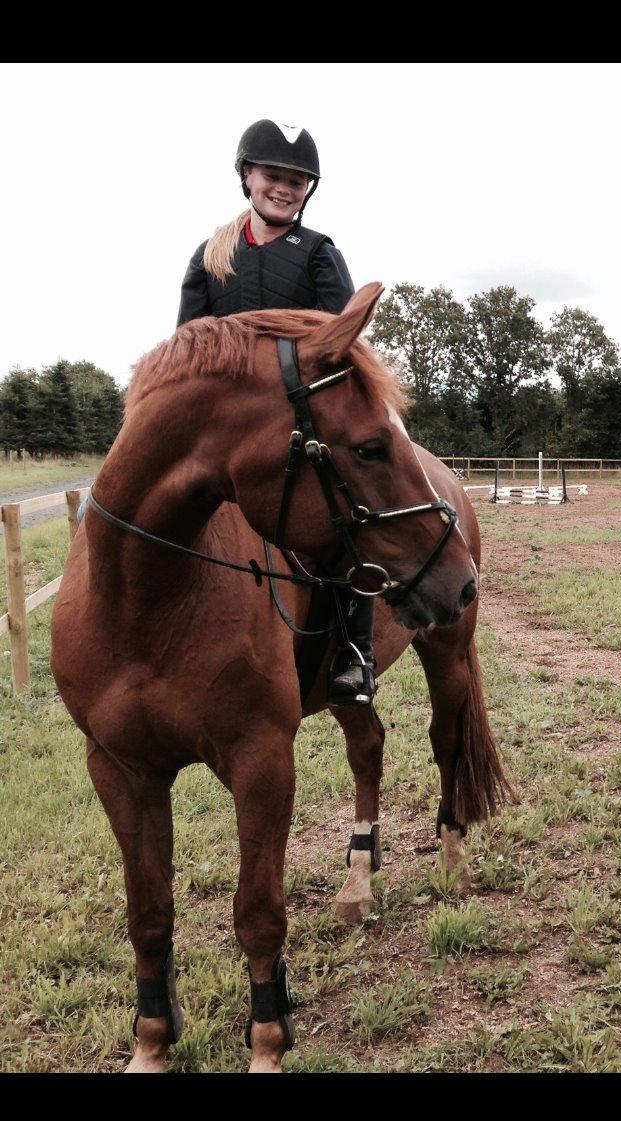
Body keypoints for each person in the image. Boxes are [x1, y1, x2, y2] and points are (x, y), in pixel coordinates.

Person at [176, 119, 376, 706]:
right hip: (225, 425)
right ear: (247, 177)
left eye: (297, 180)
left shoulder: (317, 252)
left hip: (300, 419)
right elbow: (186, 346)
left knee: (346, 517)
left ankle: (354, 653)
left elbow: (346, 338)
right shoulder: (211, 255)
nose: (284, 188)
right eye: (274, 176)